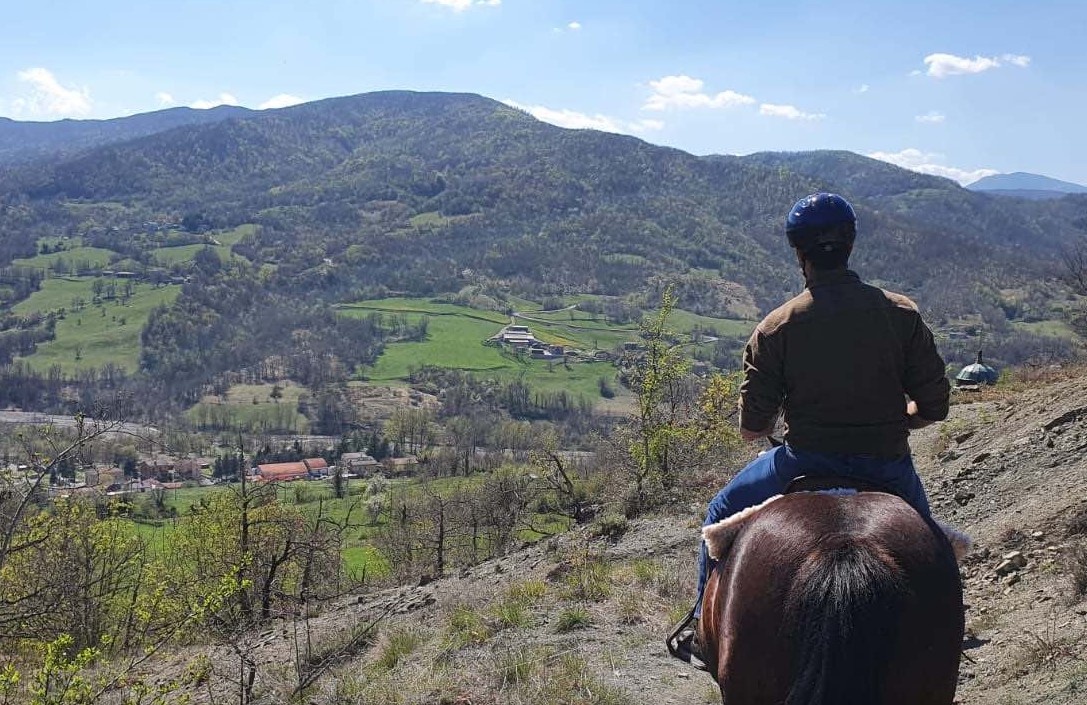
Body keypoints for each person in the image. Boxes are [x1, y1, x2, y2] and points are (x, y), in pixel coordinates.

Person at [668, 192, 950, 669]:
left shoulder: (776, 327)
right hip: (888, 462)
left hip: (803, 461)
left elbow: (753, 427)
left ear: (798, 252)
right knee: (935, 554)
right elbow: (936, 407)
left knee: (718, 512)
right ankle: (945, 630)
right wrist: (897, 420)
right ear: (851, 244)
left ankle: (700, 627)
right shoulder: (902, 314)